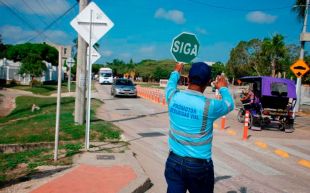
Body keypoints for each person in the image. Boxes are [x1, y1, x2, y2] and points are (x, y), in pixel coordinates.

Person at [164, 62, 234, 193]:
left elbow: (171, 84)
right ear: (208, 82)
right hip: (198, 167)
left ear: (188, 79)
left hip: (174, 161)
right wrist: (223, 88)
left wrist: (176, 71)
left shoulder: (173, 96)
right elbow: (229, 104)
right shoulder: (210, 106)